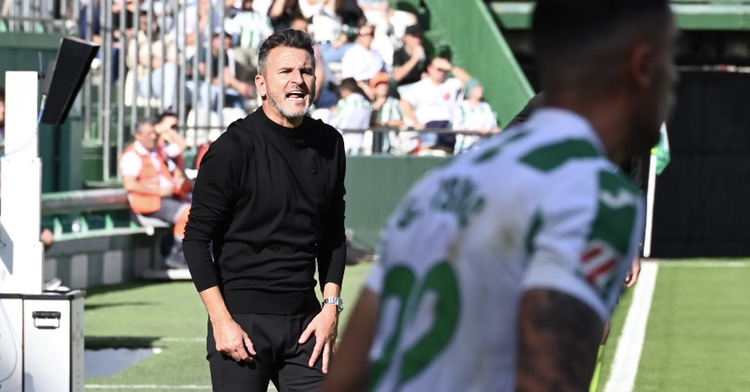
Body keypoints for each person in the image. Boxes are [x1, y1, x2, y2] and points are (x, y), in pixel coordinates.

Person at [323, 0, 677, 391]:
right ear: (640, 65)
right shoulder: (598, 201)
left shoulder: (446, 184)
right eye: (669, 57)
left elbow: (356, 353)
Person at [183, 28, 347, 392]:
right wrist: (221, 322)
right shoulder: (232, 148)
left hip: (307, 322)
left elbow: (333, 236)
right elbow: (195, 240)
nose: (298, 81)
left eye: (306, 71)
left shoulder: (330, 144)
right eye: (286, 71)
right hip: (242, 322)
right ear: (261, 83)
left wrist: (330, 308)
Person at [120, 118, 191, 269]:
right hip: (149, 203)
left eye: (154, 133)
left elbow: (181, 145)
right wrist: (160, 191)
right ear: (138, 135)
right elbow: (130, 185)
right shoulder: (132, 155)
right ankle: (178, 255)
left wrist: (165, 129)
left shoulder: (158, 151)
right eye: (149, 133)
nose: (153, 136)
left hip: (167, 198)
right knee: (189, 213)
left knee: (205, 209)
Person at [399, 56, 472, 154]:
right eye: (439, 69)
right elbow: (405, 102)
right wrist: (416, 122)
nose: (442, 72)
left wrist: (450, 67)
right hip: (429, 126)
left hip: (449, 126)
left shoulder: (451, 83)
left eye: (444, 70)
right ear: (430, 69)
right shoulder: (420, 86)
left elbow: (470, 82)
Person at [452, 78, 501, 154]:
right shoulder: (461, 107)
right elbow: (456, 128)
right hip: (465, 149)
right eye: (477, 87)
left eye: (481, 87)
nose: (481, 89)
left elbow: (493, 126)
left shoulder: (486, 107)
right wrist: (476, 131)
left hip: (483, 149)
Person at [329, 77, 372, 155]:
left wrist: (332, 113)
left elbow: (333, 123)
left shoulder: (344, 103)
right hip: (360, 148)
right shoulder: (367, 104)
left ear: (345, 90)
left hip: (344, 147)